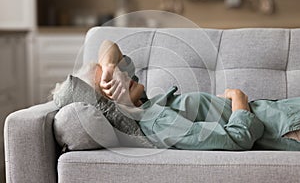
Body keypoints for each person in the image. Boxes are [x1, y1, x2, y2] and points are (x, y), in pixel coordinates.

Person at [58, 40, 300, 151]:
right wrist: (238, 98)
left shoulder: (148, 107)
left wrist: (109, 68)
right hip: (285, 127)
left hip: (284, 114)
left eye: (119, 73)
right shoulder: (157, 123)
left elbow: (108, 45)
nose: (123, 75)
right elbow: (237, 138)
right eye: (110, 84)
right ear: (110, 107)